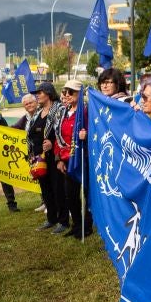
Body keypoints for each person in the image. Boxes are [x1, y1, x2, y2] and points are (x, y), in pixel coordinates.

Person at [54, 79, 92, 238]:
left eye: (71, 92)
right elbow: (58, 136)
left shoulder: (86, 111)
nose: (67, 95)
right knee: (70, 195)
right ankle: (76, 225)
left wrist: (87, 135)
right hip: (67, 160)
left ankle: (86, 227)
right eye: (64, 92)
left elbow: (96, 134)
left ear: (80, 93)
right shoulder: (63, 112)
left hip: (83, 158)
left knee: (87, 194)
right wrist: (59, 159)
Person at [33, 83, 69, 232]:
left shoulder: (59, 109)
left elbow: (64, 131)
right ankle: (51, 219)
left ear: (48, 93)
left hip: (54, 156)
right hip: (39, 157)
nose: (37, 95)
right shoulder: (38, 112)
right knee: (45, 188)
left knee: (58, 188)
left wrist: (53, 142)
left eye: (39, 92)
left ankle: (63, 221)